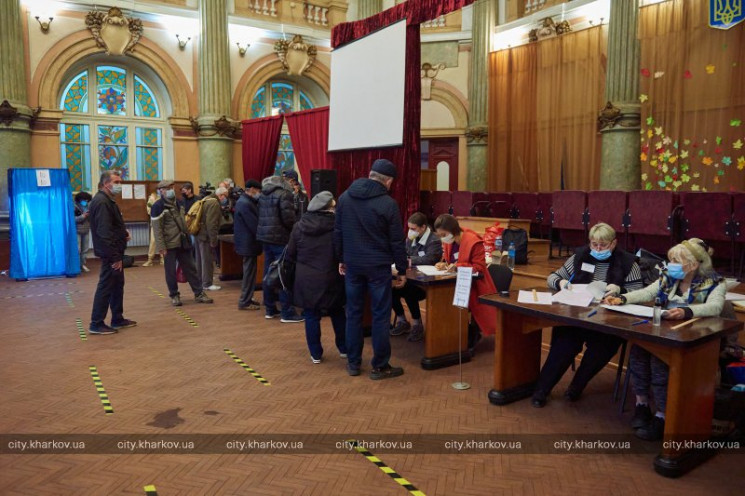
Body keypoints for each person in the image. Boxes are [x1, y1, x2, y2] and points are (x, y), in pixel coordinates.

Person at [604, 238, 725, 441]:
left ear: (693, 264)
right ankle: (642, 405)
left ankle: (662, 415)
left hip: (693, 337)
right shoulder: (669, 277)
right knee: (638, 353)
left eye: (676, 261)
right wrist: (623, 298)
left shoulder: (715, 283)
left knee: (659, 364)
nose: (670, 265)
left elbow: (715, 307)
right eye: (671, 260)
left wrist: (686, 311)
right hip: (663, 330)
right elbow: (648, 292)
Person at [531, 222, 643, 408]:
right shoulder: (580, 255)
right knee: (563, 345)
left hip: (608, 321)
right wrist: (561, 283)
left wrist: (620, 290)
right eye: (594, 244)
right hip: (578, 315)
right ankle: (541, 390)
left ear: (613, 243)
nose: (598, 249)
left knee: (603, 349)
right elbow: (552, 277)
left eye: (603, 245)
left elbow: (638, 291)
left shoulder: (628, 262)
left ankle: (577, 386)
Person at [334, 158, 407, 380]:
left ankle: (353, 363)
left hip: (353, 265)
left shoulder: (345, 197)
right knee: (380, 317)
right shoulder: (388, 204)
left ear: (370, 174)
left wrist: (340, 258)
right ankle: (380, 366)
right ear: (389, 181)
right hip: (378, 268)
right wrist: (401, 269)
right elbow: (396, 241)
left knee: (354, 314)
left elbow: (337, 232)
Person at [287, 191, 347, 363]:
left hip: (306, 279)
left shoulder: (299, 226)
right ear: (329, 208)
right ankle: (344, 348)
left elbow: (291, 254)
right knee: (337, 312)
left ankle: (315, 354)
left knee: (311, 315)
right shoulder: (337, 226)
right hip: (332, 276)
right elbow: (341, 252)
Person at [433, 214, 497, 352]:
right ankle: (452, 334)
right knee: (440, 299)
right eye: (440, 235)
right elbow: (450, 261)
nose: (442, 238)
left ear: (453, 230)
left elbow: (479, 268)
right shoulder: (449, 241)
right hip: (455, 282)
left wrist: (458, 266)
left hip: (475, 285)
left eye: (443, 234)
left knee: (450, 301)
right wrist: (444, 264)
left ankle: (470, 334)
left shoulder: (474, 241)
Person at [150, 180, 214, 307]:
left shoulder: (179, 202)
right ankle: (174, 295)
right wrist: (161, 247)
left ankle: (199, 293)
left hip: (183, 241)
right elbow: (157, 229)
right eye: (167, 188)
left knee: (191, 268)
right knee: (170, 272)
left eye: (171, 187)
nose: (170, 189)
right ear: (161, 190)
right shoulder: (157, 206)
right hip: (169, 244)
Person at [87, 171, 137, 335]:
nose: (119, 185)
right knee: (106, 286)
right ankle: (96, 323)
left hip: (115, 251)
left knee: (117, 286)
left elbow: (112, 226)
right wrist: (115, 257)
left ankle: (117, 318)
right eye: (116, 181)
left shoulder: (108, 200)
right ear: (105, 183)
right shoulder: (102, 202)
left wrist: (123, 233)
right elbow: (104, 231)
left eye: (120, 181)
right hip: (111, 254)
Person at [257, 175, 303, 323]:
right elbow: (288, 219)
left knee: (268, 272)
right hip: (280, 238)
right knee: (284, 274)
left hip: (265, 238)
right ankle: (287, 312)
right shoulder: (284, 194)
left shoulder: (263, 195)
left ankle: (270, 309)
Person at [390, 211, 442, 342]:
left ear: (423, 227)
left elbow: (430, 259)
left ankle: (417, 324)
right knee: (390, 288)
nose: (410, 231)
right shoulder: (411, 238)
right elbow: (404, 253)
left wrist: (407, 260)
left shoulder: (434, 240)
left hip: (426, 282)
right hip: (411, 276)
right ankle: (402, 321)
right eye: (409, 228)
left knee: (407, 290)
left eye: (413, 228)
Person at [233, 179, 263, 310]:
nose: (259, 193)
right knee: (249, 273)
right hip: (248, 244)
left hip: (247, 244)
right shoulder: (245, 204)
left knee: (250, 272)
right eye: (258, 191)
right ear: (252, 190)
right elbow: (253, 225)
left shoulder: (244, 201)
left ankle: (248, 298)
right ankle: (245, 301)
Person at [194, 186, 227, 292]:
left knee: (200, 260)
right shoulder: (214, 203)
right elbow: (211, 224)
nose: (225, 199)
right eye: (225, 196)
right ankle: (207, 283)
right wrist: (213, 240)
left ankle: (200, 280)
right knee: (207, 260)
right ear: (221, 195)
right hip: (206, 236)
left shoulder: (206, 199)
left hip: (199, 234)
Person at [143, 191, 163, 267]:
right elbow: (149, 211)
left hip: (164, 223)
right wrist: (155, 206)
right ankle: (150, 260)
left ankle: (163, 258)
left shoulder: (165, 197)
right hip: (155, 222)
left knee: (163, 240)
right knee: (153, 241)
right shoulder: (151, 198)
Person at [73, 191, 92, 272]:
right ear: (80, 199)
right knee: (77, 249)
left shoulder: (88, 207)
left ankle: (82, 264)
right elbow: (73, 219)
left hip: (86, 230)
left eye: (87, 200)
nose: (86, 202)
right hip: (77, 231)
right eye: (85, 200)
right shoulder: (73, 207)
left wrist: (90, 215)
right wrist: (83, 216)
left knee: (85, 249)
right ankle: (76, 266)